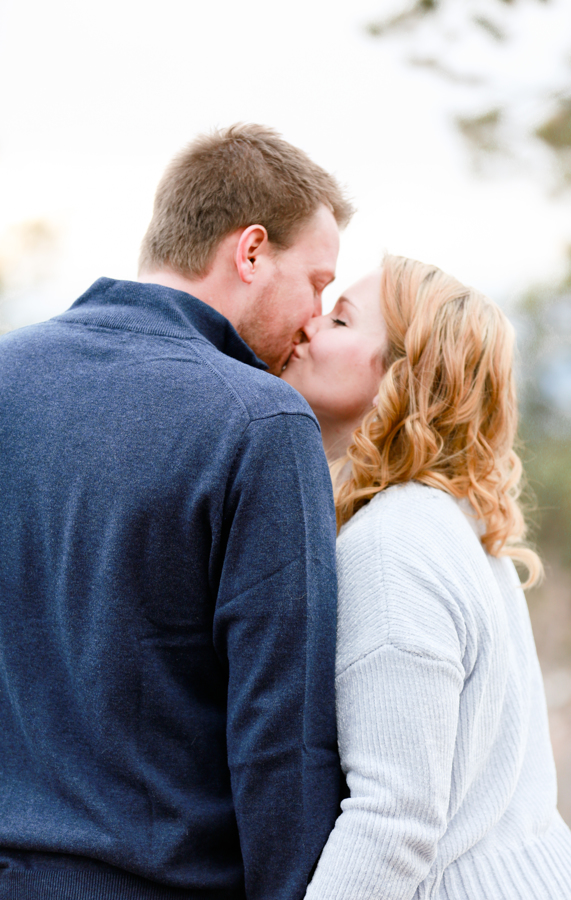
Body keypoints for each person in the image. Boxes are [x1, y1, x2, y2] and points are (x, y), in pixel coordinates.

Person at [0, 124, 353, 900]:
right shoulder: (261, 422)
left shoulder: (6, 377)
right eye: (318, 282)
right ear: (251, 251)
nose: (314, 317)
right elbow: (281, 737)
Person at [282, 256, 571, 899]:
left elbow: (394, 820)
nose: (309, 326)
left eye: (341, 318)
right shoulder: (453, 524)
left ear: (403, 376)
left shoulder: (391, 545)